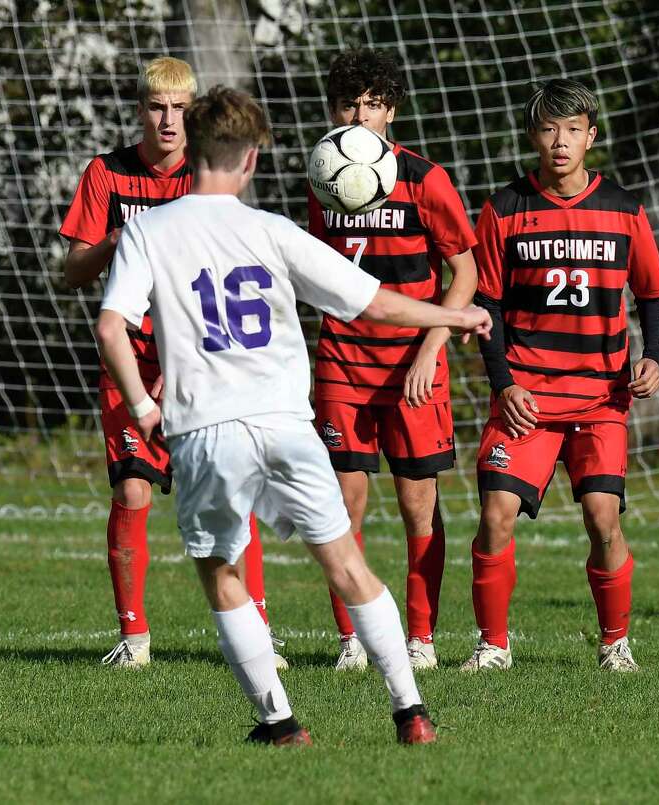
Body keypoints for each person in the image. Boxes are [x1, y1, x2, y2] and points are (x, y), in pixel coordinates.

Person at [95, 85, 491, 744]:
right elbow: (376, 305)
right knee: (346, 563)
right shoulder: (273, 230)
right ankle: (411, 710)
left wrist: (141, 404)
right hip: (286, 423)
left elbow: (112, 328)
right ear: (250, 158)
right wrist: (455, 315)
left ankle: (279, 721)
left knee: (221, 571)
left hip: (204, 430)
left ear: (191, 148)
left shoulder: (148, 229)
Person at [59, 57, 277, 668]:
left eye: (181, 108)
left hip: (200, 359)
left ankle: (257, 631)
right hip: (129, 357)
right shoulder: (106, 174)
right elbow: (73, 271)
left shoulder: (207, 176)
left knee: (231, 491)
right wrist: (124, 236)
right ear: (141, 111)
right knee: (132, 490)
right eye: (158, 107)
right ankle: (134, 638)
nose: (169, 119)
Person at [464, 78, 659, 672]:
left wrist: (652, 356)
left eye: (573, 129)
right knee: (496, 514)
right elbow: (490, 308)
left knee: (603, 517)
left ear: (591, 137)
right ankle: (493, 647)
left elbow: (652, 295)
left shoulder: (625, 209)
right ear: (533, 136)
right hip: (524, 396)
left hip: (600, 398)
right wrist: (503, 382)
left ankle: (615, 644)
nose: (561, 142)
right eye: (549, 129)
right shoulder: (504, 208)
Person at [308, 49, 478, 671]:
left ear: (392, 111)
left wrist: (431, 350)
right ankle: (353, 639)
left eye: (373, 104)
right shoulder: (321, 175)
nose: (360, 115)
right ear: (333, 110)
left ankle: (422, 639)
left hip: (413, 363)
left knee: (417, 505)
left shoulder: (425, 178)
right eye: (349, 104)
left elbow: (466, 271)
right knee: (342, 502)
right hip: (342, 361)